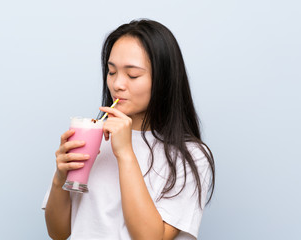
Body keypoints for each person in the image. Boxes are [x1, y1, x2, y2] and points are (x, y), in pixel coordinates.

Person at [42, 19, 215, 240]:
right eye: (111, 72)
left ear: (164, 79)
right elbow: (58, 232)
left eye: (132, 75)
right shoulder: (92, 137)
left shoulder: (190, 156)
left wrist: (125, 153)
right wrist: (59, 179)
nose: (117, 84)